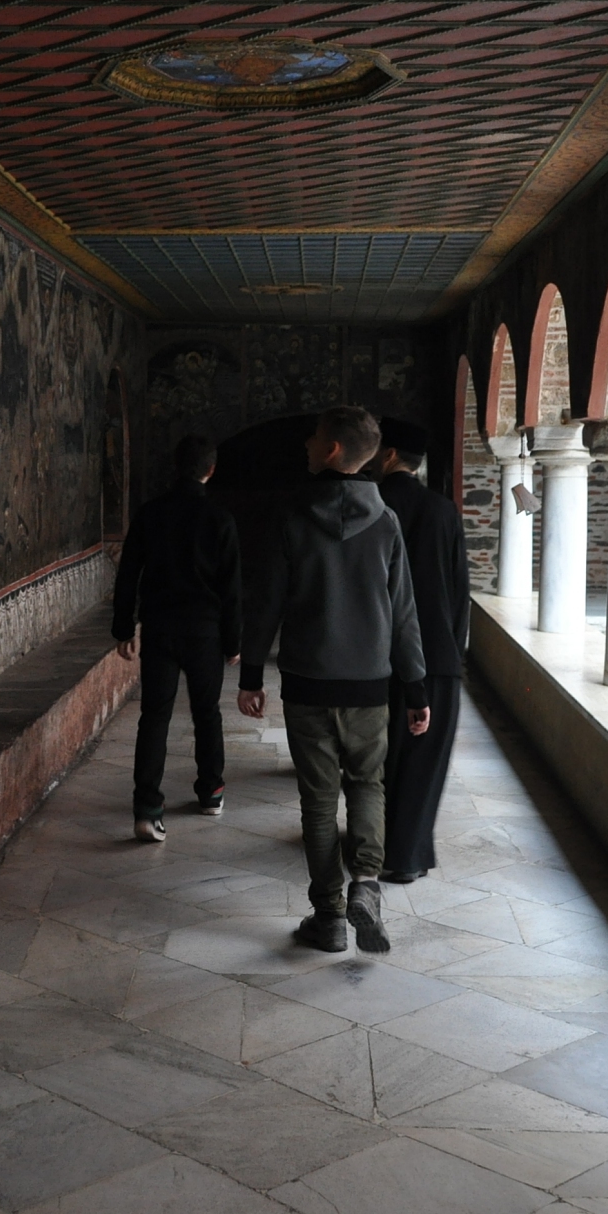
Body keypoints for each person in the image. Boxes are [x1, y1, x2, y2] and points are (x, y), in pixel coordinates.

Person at [238, 406, 430, 954]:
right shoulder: (388, 521)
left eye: (314, 436)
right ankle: (366, 884)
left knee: (319, 801)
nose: (305, 442)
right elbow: (404, 614)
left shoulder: (290, 514)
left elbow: (267, 602)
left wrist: (252, 673)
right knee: (368, 784)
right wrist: (416, 688)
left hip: (307, 681)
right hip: (369, 684)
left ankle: (329, 916)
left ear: (330, 451)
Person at [112, 433, 243, 843]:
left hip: (161, 630)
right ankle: (210, 792)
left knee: (155, 717)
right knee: (207, 715)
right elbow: (232, 589)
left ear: (175, 466)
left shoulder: (150, 514)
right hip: (204, 632)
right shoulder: (220, 520)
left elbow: (128, 574)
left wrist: (123, 628)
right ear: (211, 469)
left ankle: (148, 809)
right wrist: (234, 641)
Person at [373, 418, 469, 883]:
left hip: (374, 659)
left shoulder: (372, 505)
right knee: (424, 759)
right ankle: (406, 855)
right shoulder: (442, 511)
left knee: (378, 758)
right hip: (435, 656)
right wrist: (452, 654)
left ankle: (373, 843)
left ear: (388, 455)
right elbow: (458, 592)